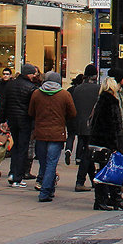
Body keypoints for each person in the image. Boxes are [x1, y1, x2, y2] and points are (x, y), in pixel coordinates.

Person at [27, 71, 75, 203]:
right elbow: (72, 113)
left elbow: (31, 112)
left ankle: (48, 187)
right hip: (57, 133)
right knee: (51, 163)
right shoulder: (65, 95)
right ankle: (45, 191)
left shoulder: (37, 94)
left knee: (43, 163)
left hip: (40, 133)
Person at [88, 75, 123, 211]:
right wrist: (117, 146)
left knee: (104, 171)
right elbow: (113, 125)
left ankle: (107, 199)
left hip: (100, 142)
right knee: (112, 171)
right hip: (109, 143)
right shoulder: (111, 102)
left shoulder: (101, 101)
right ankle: (111, 198)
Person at [0, 64, 39, 188]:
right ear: (28, 74)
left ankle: (12, 173)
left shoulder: (10, 84)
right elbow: (32, 107)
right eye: (33, 74)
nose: (34, 76)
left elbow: (3, 103)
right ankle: (18, 177)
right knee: (23, 148)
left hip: (12, 119)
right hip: (25, 120)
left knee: (15, 146)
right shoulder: (31, 87)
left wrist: (3, 120)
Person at [68, 66, 100, 192]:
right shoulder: (98, 89)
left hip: (80, 125)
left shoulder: (77, 89)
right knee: (88, 154)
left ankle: (94, 179)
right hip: (92, 125)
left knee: (87, 151)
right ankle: (80, 181)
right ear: (95, 76)